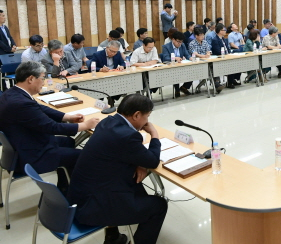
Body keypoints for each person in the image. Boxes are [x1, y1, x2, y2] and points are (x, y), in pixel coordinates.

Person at [67, 94, 167, 244]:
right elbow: (153, 161)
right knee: (159, 205)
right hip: (92, 206)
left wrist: (138, 162)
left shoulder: (108, 121)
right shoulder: (128, 137)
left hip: (80, 195)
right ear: (136, 115)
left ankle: (113, 237)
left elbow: (119, 151)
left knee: (135, 183)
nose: (147, 121)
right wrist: (154, 134)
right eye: (147, 117)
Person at [0, 61, 99, 192]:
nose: (44, 81)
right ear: (30, 79)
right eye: (43, 78)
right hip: (31, 155)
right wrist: (85, 125)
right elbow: (52, 127)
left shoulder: (12, 93)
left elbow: (40, 108)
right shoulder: (21, 103)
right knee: (80, 155)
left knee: (68, 141)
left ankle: (64, 185)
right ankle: (75, 193)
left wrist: (67, 117)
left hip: (23, 143)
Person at [160, 31, 192, 97]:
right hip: (171, 67)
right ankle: (177, 89)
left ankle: (184, 87)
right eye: (178, 41)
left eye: (181, 42)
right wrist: (175, 58)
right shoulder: (166, 47)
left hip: (181, 65)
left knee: (192, 71)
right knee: (175, 72)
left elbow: (187, 54)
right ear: (173, 39)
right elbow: (166, 58)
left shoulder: (182, 45)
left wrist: (191, 58)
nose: (180, 43)